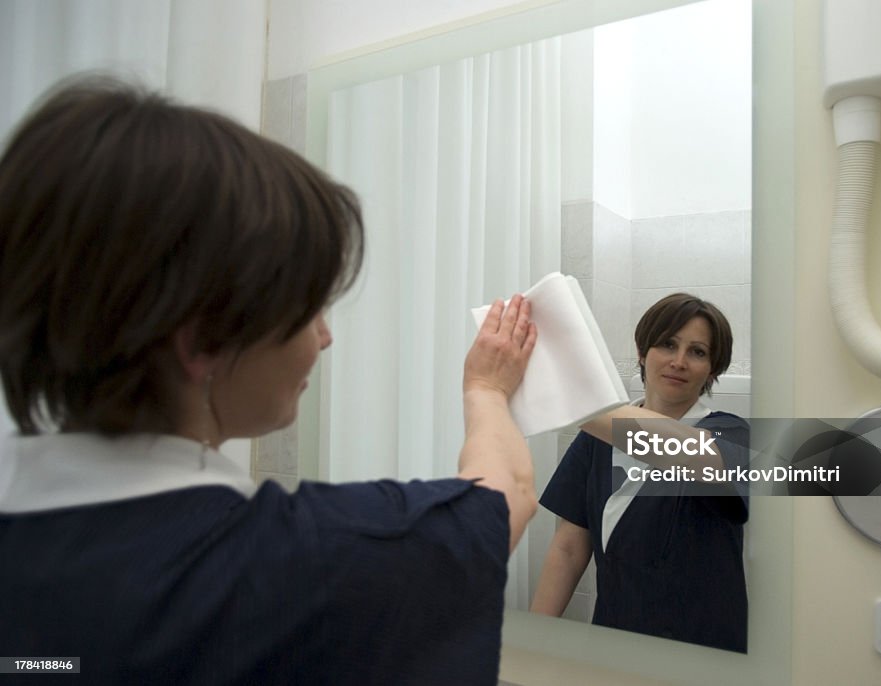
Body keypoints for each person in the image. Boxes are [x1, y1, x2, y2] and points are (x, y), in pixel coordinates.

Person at [0, 77, 538, 685]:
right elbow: (506, 495)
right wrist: (487, 391)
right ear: (204, 341)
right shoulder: (308, 565)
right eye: (310, 308)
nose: (325, 338)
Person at [529, 293, 749, 653]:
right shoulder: (597, 439)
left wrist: (566, 400)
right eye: (667, 344)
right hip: (615, 639)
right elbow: (569, 548)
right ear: (643, 352)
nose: (679, 361)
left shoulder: (730, 435)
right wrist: (534, 642)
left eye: (697, 352)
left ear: (712, 369)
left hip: (701, 651)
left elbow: (692, 453)